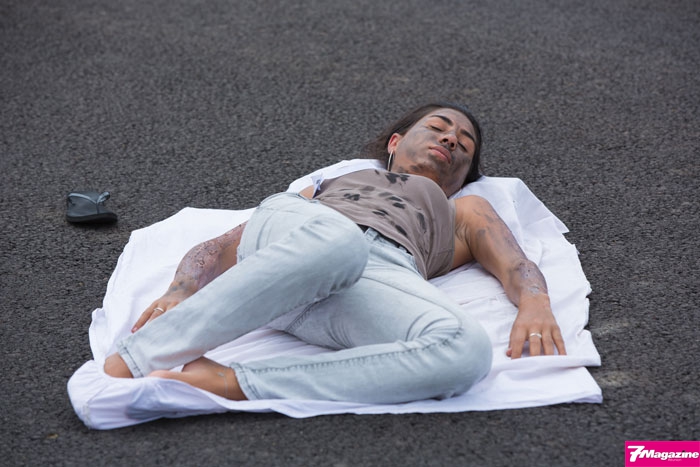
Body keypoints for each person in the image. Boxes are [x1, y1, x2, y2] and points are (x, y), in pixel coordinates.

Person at [104, 102, 566, 403]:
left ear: (463, 176)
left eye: (463, 145)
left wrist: (536, 301)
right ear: (395, 143)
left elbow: (516, 265)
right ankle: (142, 354)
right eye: (438, 128)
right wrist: (181, 290)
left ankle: (237, 382)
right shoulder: (331, 182)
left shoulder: (464, 208)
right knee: (339, 242)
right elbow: (224, 244)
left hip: (378, 276)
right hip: (298, 249)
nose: (450, 139)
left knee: (467, 351)